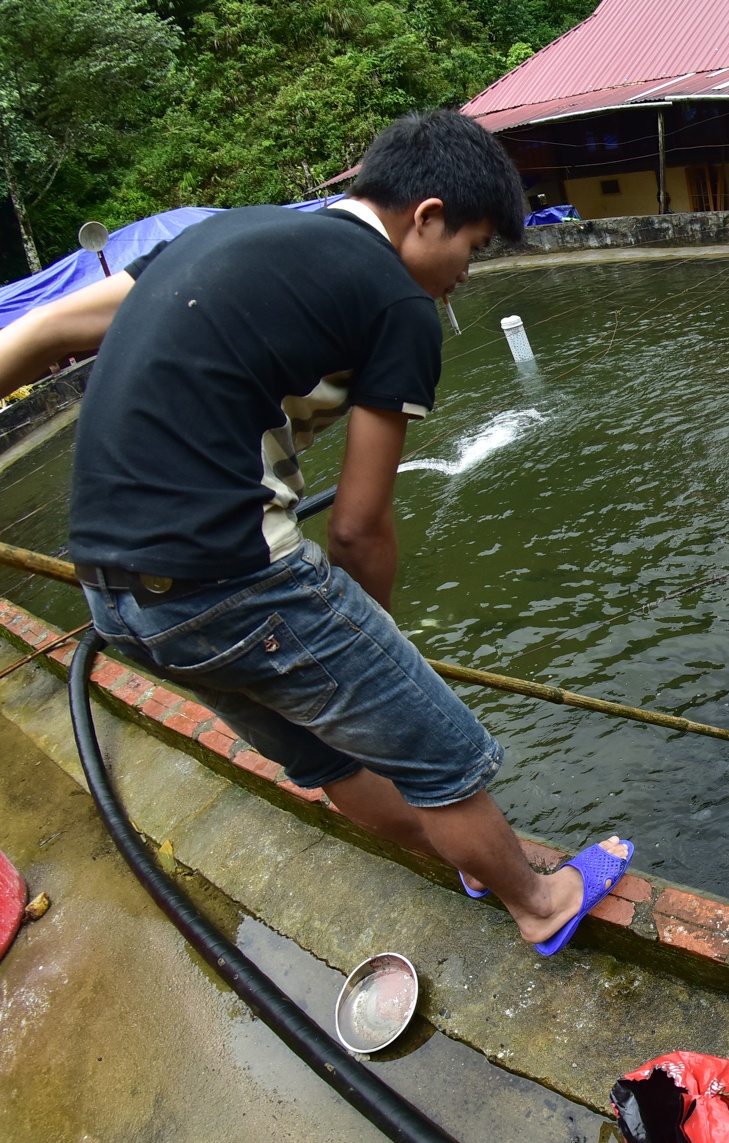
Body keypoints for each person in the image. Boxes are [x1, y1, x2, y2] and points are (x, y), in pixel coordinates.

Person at [0, 110, 630, 954]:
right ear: (428, 215)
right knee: (441, 751)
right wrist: (372, 644)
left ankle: (474, 864)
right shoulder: (398, 302)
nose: (466, 277)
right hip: (233, 581)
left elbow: (42, 332)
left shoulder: (220, 237)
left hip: (117, 599)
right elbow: (361, 528)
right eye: (473, 249)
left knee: (330, 759)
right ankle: (540, 900)